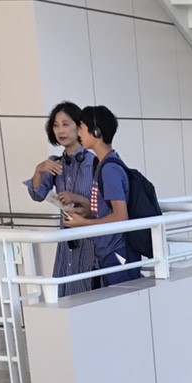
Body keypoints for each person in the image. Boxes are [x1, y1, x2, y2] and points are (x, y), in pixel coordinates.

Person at [23, 101, 97, 297]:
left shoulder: (94, 162)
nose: (60, 130)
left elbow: (106, 205)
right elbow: (37, 195)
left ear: (79, 127)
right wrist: (39, 170)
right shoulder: (55, 163)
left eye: (66, 124)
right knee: (65, 295)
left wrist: (77, 198)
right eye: (56, 125)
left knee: (88, 292)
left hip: (91, 239)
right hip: (67, 240)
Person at [62, 105, 135, 288]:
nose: (79, 133)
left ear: (95, 132)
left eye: (81, 127)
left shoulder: (109, 169)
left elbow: (121, 216)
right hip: (109, 251)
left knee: (123, 300)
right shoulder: (103, 164)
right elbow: (107, 208)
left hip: (116, 252)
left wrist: (83, 224)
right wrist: (88, 211)